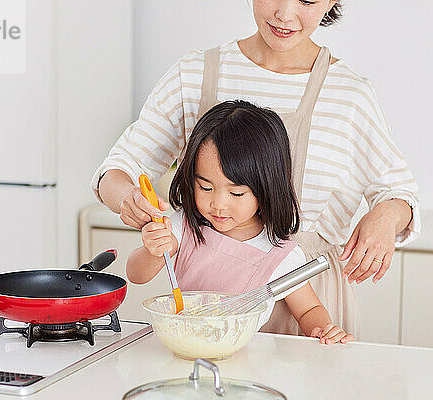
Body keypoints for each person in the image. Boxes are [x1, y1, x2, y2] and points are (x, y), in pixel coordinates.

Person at [92, 0, 420, 337]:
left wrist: (387, 215)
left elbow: (400, 193)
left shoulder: (350, 94)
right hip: (207, 314)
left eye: (307, 0)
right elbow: (118, 170)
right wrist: (128, 199)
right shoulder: (194, 74)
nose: (285, 13)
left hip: (307, 298)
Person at [127, 100, 353, 344]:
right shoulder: (184, 226)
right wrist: (152, 250)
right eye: (205, 187)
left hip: (245, 359)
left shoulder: (279, 254)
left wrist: (322, 329)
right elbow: (136, 274)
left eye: (236, 193)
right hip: (185, 346)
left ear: (265, 188)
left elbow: (308, 310)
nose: (218, 204)